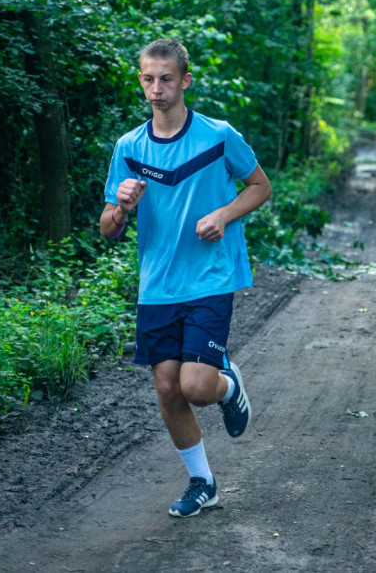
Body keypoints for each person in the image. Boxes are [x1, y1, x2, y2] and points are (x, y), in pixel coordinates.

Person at [100, 38, 272, 518]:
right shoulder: (129, 148)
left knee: (197, 386)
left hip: (211, 278)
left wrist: (225, 213)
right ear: (141, 80)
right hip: (157, 284)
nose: (156, 89)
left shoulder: (217, 136)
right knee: (169, 389)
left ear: (185, 81)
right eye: (148, 79)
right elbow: (108, 228)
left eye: (166, 79)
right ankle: (203, 482)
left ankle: (228, 385)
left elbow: (260, 186)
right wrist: (122, 207)